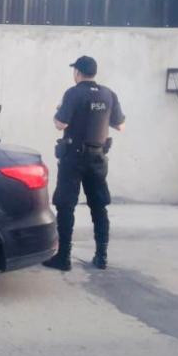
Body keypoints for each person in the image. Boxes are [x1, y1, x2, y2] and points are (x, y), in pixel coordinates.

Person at [44, 55, 125, 272]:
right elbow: (120, 125)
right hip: (98, 157)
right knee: (99, 206)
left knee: (65, 205)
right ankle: (101, 256)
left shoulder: (73, 93)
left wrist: (58, 109)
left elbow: (60, 124)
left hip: (74, 157)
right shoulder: (109, 94)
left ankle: (64, 257)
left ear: (78, 73)